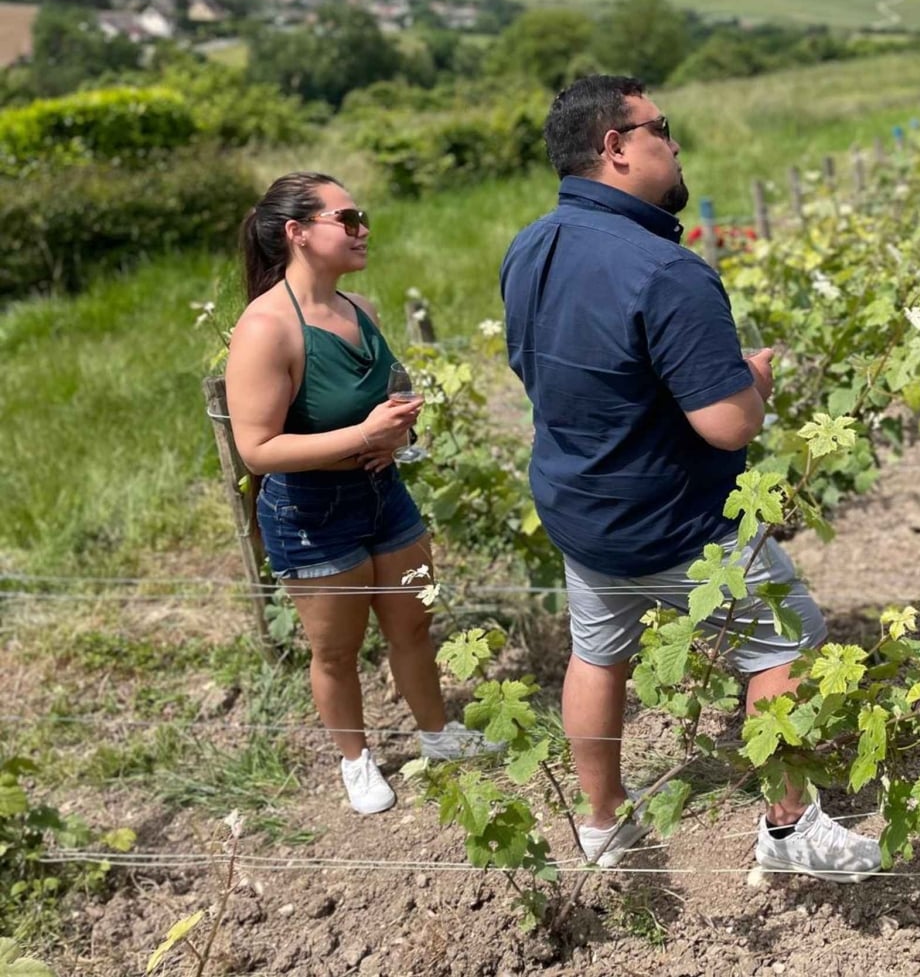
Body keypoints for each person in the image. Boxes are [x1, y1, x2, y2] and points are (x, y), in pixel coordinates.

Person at [500, 76, 881, 880]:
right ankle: (790, 830)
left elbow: (553, 372)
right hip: (678, 522)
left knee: (598, 655)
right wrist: (753, 382)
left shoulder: (529, 245)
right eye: (660, 128)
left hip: (579, 509)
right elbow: (729, 424)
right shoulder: (668, 270)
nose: (674, 144)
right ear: (616, 147)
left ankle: (602, 824)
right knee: (788, 639)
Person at [226, 172, 499, 815]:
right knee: (337, 650)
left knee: (413, 624)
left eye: (362, 216)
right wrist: (361, 433)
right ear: (297, 233)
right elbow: (257, 450)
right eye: (347, 219)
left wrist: (398, 432)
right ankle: (356, 760)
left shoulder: (362, 310)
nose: (363, 229)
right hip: (310, 513)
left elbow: (380, 407)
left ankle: (437, 736)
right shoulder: (265, 329)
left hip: (385, 495)